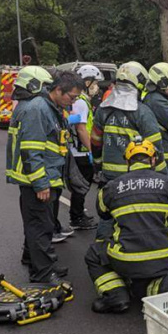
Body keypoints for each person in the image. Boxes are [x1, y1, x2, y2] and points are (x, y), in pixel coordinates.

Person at [85, 137, 168, 313]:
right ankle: (162, 286)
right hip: (162, 259)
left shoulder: (111, 188)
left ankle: (116, 295)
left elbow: (102, 212)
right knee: (141, 283)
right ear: (153, 160)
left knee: (94, 253)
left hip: (125, 260)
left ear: (128, 162)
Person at [6, 67, 84, 284]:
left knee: (38, 224)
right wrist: (41, 184)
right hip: (38, 180)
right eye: (72, 96)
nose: (73, 101)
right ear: (58, 90)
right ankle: (42, 274)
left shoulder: (47, 107)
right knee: (41, 227)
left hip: (45, 176)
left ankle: (34, 259)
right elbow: (31, 150)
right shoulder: (38, 109)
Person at [91, 61, 164, 241]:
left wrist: (99, 166)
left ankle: (102, 251)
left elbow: (95, 142)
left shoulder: (103, 110)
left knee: (109, 214)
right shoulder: (142, 112)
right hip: (135, 175)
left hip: (109, 175)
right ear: (139, 84)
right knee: (134, 213)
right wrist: (163, 178)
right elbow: (157, 149)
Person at [65, 65, 103, 231]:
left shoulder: (79, 101)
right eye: (94, 83)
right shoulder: (81, 102)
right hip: (81, 151)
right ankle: (77, 217)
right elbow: (81, 128)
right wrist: (92, 150)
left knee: (80, 185)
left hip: (76, 150)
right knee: (81, 186)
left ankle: (78, 214)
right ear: (87, 82)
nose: (97, 87)